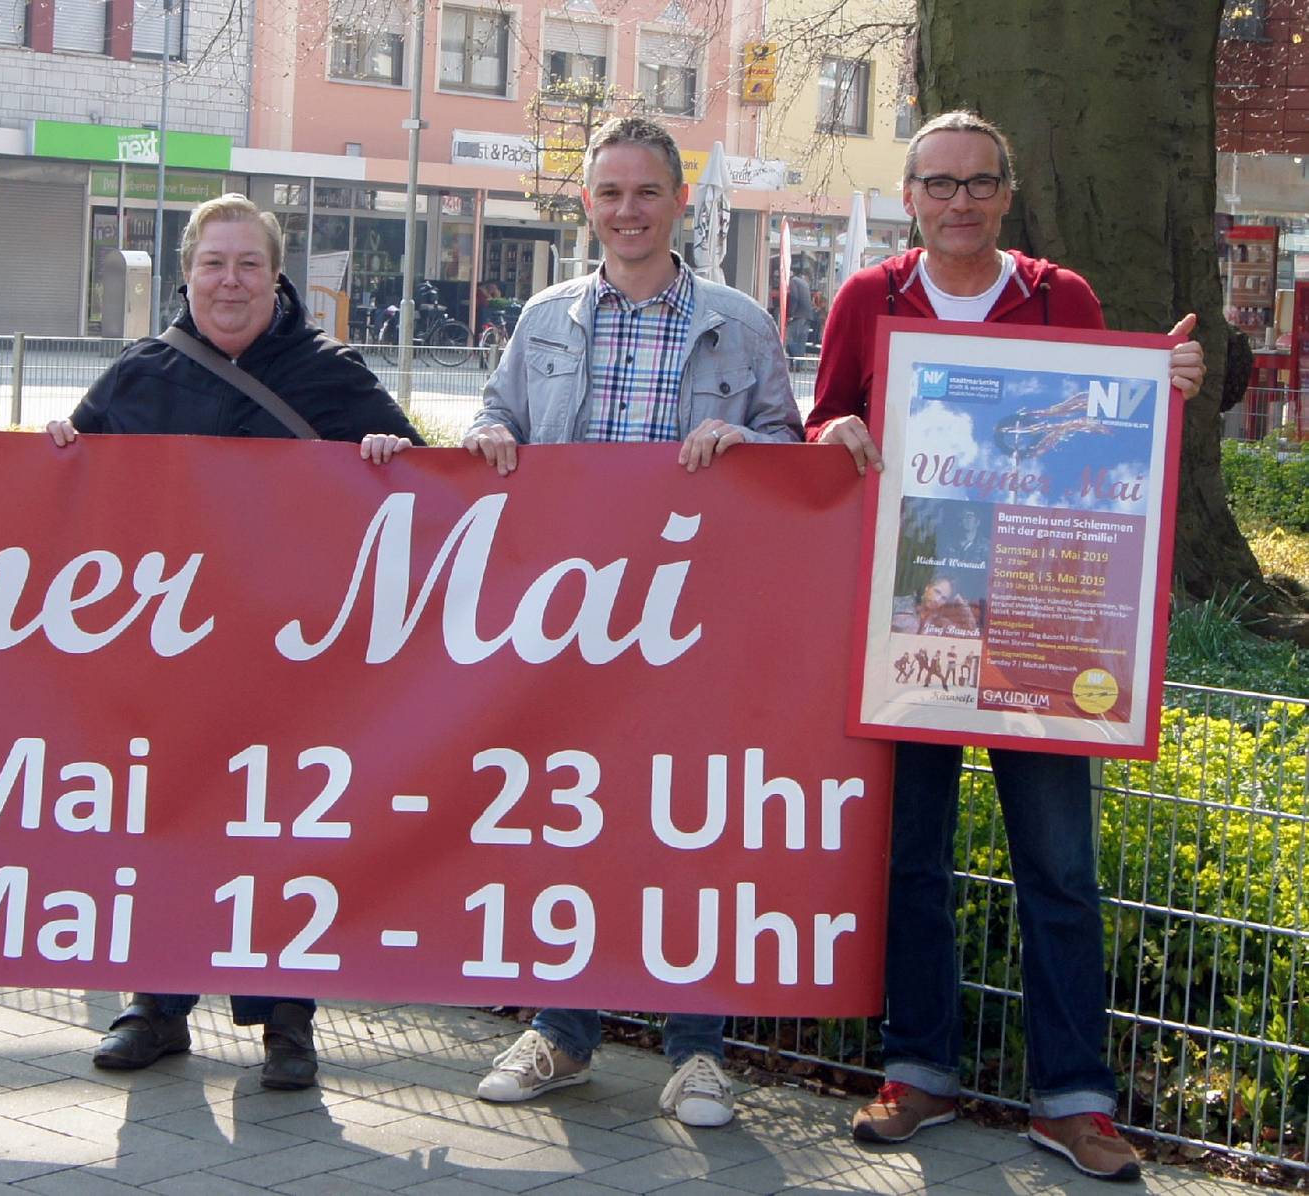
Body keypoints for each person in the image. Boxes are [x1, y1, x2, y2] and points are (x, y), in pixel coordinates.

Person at [808, 109, 1206, 1183]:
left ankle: (1073, 1099)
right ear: (910, 195)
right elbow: (824, 421)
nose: (959, 201)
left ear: (1007, 193)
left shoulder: (1061, 297)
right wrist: (829, 431)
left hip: (1040, 612)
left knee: (1061, 868)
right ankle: (919, 1068)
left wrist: (1164, 395)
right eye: (939, 183)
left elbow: (1108, 429)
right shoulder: (866, 299)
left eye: (979, 182)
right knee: (911, 857)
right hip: (915, 614)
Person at [459, 116, 803, 1124]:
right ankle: (563, 1031)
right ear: (587, 205)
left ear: (679, 202)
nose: (626, 211)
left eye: (645, 192)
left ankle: (698, 1051)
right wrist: (484, 435)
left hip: (692, 623)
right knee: (572, 817)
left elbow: (790, 451)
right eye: (608, 194)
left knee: (689, 822)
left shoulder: (740, 322)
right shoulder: (547, 318)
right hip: (576, 621)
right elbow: (499, 417)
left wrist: (746, 440)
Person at [47, 192, 420, 1091]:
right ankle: (155, 1005)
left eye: (248, 264)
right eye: (214, 263)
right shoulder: (140, 375)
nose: (230, 281)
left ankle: (286, 1023)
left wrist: (387, 453)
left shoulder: (332, 374)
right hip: (167, 666)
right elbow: (73, 496)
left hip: (291, 667)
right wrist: (61, 449)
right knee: (167, 826)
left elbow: (415, 487)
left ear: (276, 275)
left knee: (280, 838)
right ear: (186, 274)